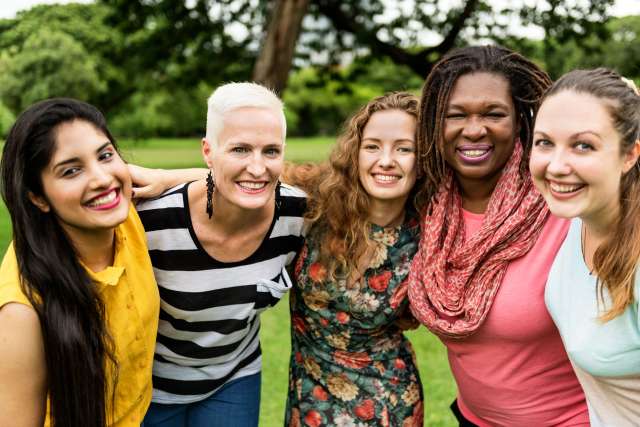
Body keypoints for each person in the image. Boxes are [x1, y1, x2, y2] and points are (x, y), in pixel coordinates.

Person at [407, 45, 589, 426]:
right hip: (474, 419)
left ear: (522, 120)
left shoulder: (563, 206)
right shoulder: (427, 208)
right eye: (455, 115)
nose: (474, 130)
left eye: (494, 114)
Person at [136, 82, 306, 427]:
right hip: (151, 388)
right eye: (240, 149)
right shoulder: (152, 222)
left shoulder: (297, 216)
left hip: (235, 378)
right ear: (208, 151)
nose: (258, 168)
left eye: (271, 151)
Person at [0, 98, 160, 426]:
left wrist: (163, 178)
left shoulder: (124, 211)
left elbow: (222, 179)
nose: (102, 179)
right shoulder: (21, 313)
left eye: (105, 155)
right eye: (71, 170)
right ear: (38, 197)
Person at [283, 92, 424, 426]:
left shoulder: (427, 233)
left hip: (388, 398)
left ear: (424, 160)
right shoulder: (318, 199)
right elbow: (244, 180)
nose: (386, 160)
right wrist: (161, 178)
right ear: (355, 153)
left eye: (404, 149)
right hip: (308, 395)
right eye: (372, 146)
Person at [530, 68, 640, 426]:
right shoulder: (576, 217)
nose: (557, 166)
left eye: (583, 145)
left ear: (629, 155)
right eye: (544, 142)